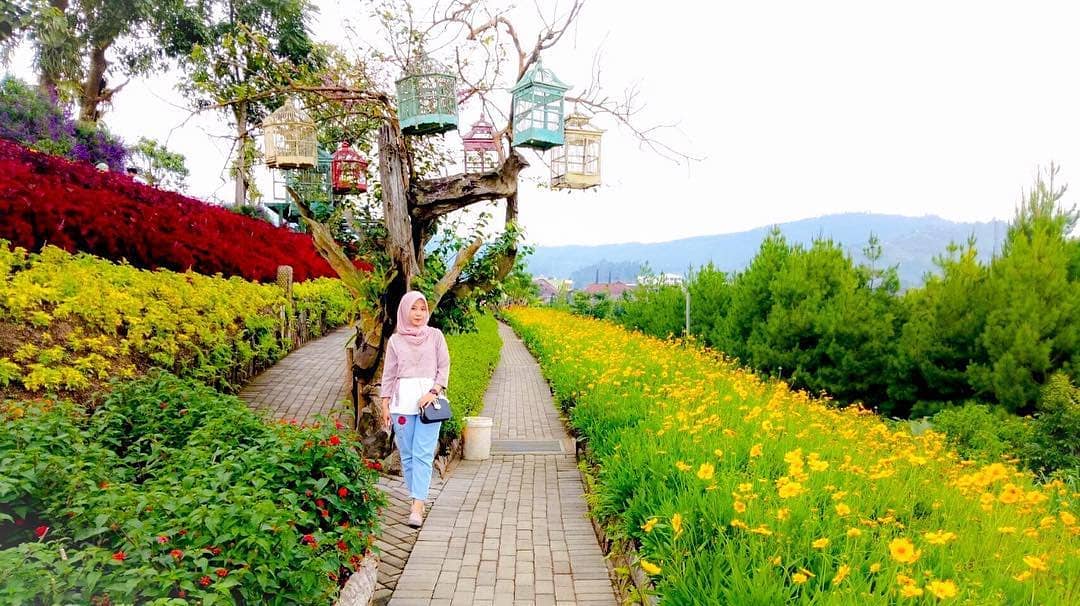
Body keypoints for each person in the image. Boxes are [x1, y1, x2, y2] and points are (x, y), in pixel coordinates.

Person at [380, 291, 450, 528]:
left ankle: (418, 505)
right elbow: (388, 374)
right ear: (405, 310)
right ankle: (415, 497)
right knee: (408, 455)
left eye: (422, 308)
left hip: (429, 405)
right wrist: (385, 404)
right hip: (402, 405)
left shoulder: (435, 336)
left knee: (423, 453)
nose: (419, 313)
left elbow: (444, 367)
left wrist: (433, 392)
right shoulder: (396, 341)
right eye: (413, 308)